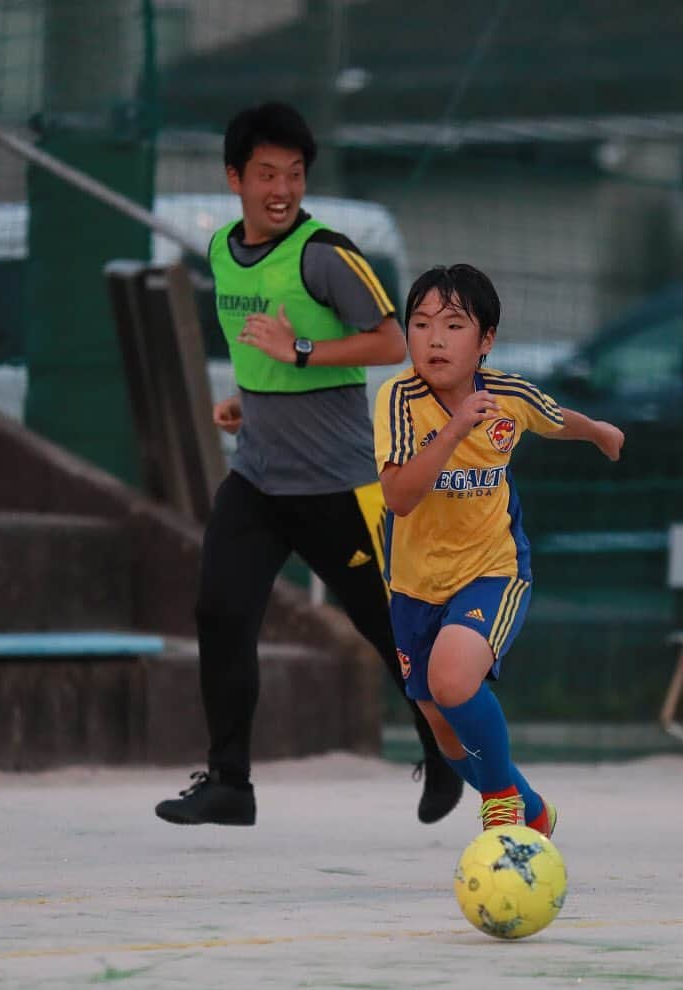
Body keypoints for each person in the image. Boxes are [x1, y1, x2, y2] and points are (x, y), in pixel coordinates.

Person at [155, 102, 463, 827]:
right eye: (266, 174)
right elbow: (263, 350)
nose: (282, 188)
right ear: (235, 178)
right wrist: (245, 399)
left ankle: (450, 752)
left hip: (341, 486)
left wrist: (301, 355)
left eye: (294, 174)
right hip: (259, 477)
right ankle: (230, 783)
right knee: (220, 612)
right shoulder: (225, 251)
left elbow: (392, 343)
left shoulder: (326, 253)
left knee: (394, 631)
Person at [374, 263, 624, 832]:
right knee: (441, 723)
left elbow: (556, 418)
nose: (434, 339)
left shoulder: (508, 395)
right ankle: (532, 810)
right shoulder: (398, 399)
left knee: (454, 679)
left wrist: (599, 431)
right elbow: (401, 496)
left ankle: (502, 802)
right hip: (414, 585)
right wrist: (456, 429)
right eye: (420, 323)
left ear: (485, 340)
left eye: (454, 325)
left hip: (494, 571)